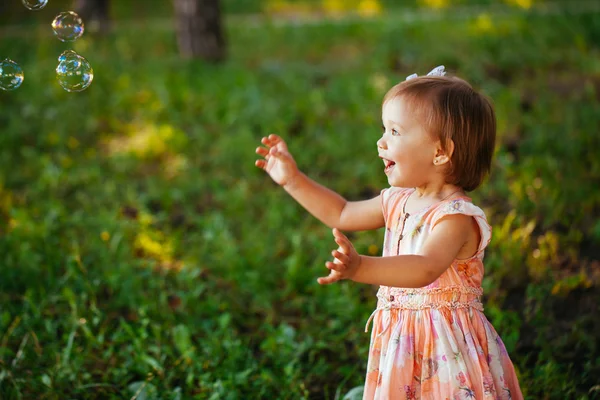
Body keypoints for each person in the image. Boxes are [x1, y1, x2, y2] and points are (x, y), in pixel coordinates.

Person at [255, 66, 523, 399]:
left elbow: (425, 267)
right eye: (385, 129)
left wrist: (360, 268)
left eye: (395, 132)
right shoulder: (397, 201)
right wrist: (292, 180)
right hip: (403, 340)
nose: (381, 141)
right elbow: (341, 212)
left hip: (446, 348)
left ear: (440, 152)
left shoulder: (455, 216)